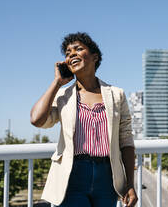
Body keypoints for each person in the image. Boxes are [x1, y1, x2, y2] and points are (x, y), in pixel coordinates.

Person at [30, 32, 137, 207]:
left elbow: (126, 140)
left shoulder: (116, 94)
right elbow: (37, 120)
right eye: (67, 52)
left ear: (95, 57)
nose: (71, 54)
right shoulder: (63, 95)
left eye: (78, 49)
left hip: (107, 177)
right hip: (72, 176)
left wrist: (130, 184)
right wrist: (57, 82)